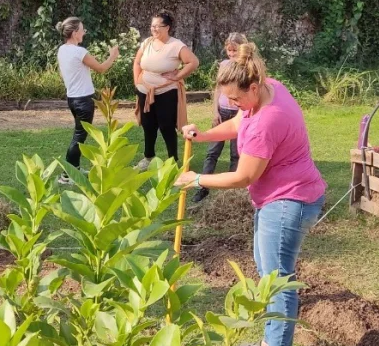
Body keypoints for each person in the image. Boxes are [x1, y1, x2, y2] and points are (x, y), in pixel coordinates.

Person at [175, 43, 326, 346]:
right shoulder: (270, 89)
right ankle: (271, 341)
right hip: (282, 197)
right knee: (267, 271)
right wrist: (202, 135)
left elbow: (243, 176)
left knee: (278, 277)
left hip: (289, 201)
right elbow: (238, 123)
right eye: (228, 98)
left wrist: (196, 180)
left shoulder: (267, 121)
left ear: (253, 87)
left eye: (237, 98)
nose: (232, 104)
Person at [55, 17, 120, 185]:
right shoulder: (79, 52)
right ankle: (67, 175)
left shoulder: (62, 49)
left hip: (72, 99)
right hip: (83, 101)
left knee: (79, 134)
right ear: (75, 33)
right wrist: (112, 55)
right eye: (82, 30)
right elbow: (101, 68)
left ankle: (74, 168)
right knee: (79, 137)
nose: (84, 33)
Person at [133, 10, 199, 168]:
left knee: (166, 126)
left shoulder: (176, 45)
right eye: (152, 26)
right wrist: (137, 82)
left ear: (167, 27)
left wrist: (178, 76)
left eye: (158, 26)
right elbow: (136, 63)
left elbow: (193, 62)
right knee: (148, 125)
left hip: (166, 91)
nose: (154, 29)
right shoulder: (147, 42)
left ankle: (172, 161)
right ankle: (148, 158)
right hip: (145, 90)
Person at [192, 33, 247, 203]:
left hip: (237, 114)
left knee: (235, 154)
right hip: (222, 112)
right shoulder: (224, 65)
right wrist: (215, 112)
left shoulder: (246, 67)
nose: (231, 54)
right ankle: (203, 188)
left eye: (234, 50)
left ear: (242, 48)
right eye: (229, 51)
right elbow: (217, 89)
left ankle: (230, 192)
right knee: (212, 152)